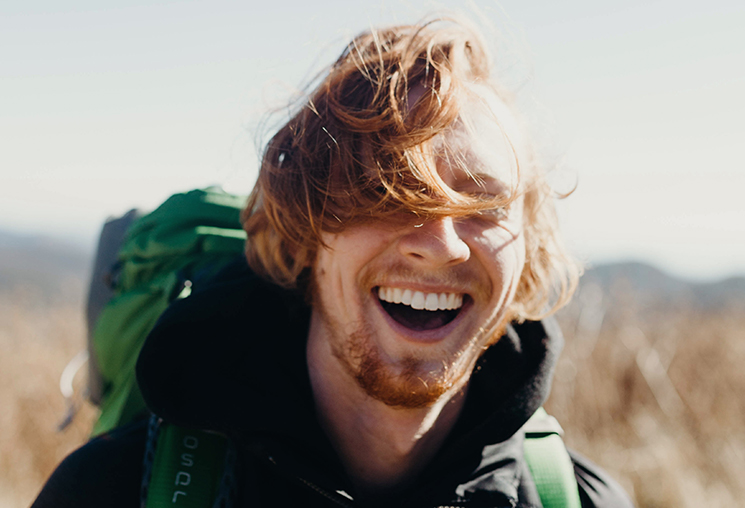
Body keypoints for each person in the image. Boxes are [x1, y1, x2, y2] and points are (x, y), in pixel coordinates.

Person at [33, 17, 634, 508]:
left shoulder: (580, 501)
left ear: (529, 251)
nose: (442, 243)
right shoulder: (109, 492)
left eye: (484, 203)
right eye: (386, 192)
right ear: (303, 234)